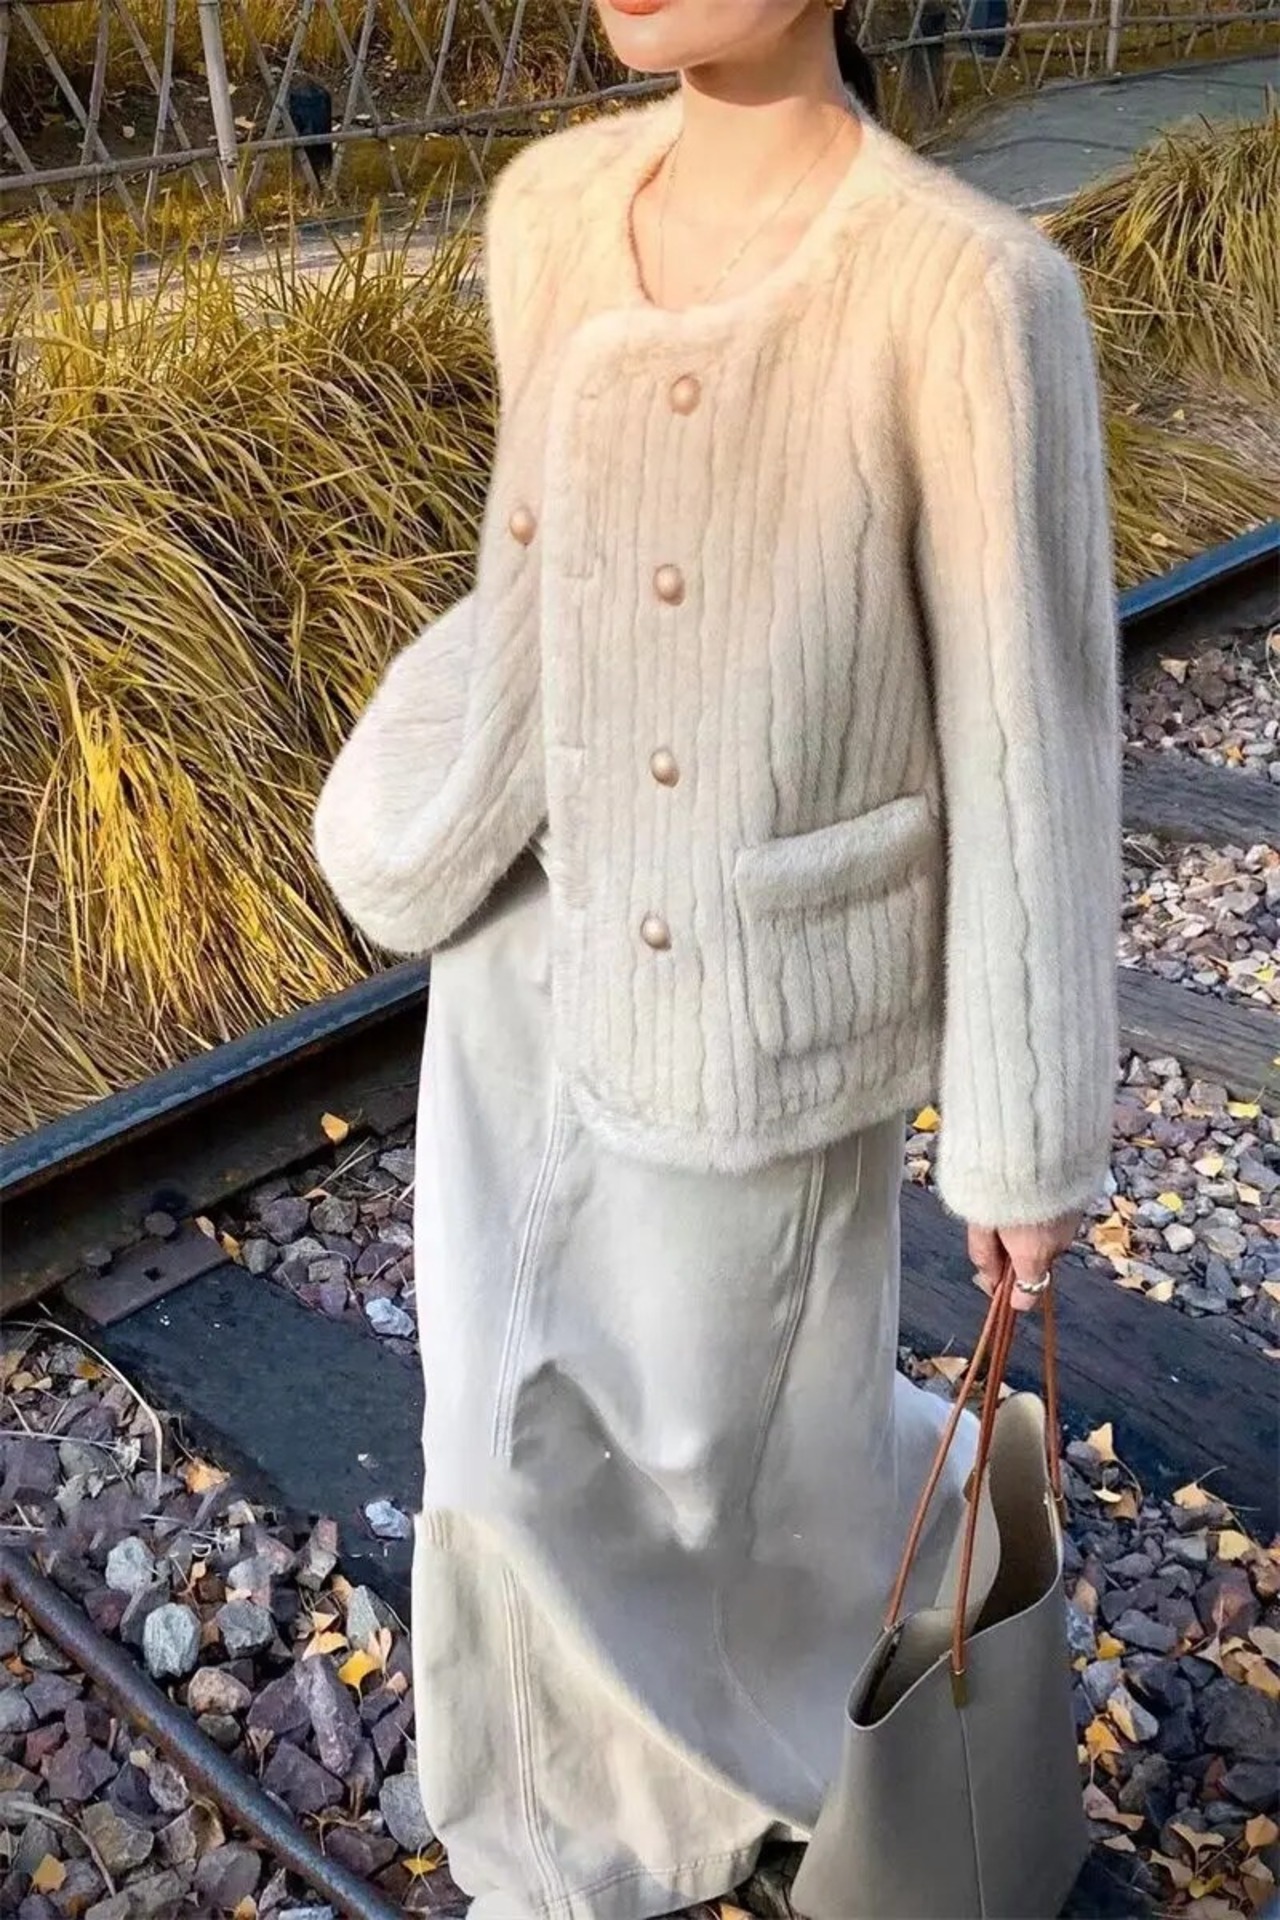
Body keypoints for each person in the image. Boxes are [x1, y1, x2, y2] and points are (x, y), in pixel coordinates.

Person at [310, 0, 1123, 1913]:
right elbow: (531, 582)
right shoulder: (548, 209)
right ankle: (564, 1820)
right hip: (522, 950)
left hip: (764, 1001)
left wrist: (1020, 1144)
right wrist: (421, 816)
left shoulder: (964, 290)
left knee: (722, 1456)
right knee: (495, 1437)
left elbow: (1027, 732)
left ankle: (792, 1712)